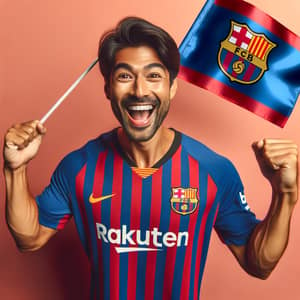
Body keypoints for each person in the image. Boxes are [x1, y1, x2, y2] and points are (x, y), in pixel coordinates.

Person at [3, 17, 298, 300]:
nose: (140, 90)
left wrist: (285, 193)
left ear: (172, 87)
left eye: (154, 75)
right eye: (125, 76)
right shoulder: (79, 167)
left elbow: (258, 264)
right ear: (107, 88)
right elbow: (29, 238)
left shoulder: (213, 170)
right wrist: (15, 169)